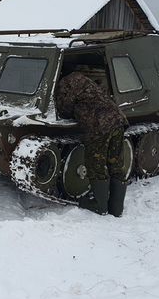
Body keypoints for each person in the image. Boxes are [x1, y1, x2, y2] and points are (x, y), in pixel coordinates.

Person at [55, 71, 129, 216]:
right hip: (118, 121)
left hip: (99, 126)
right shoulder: (88, 83)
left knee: (96, 164)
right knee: (115, 163)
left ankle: (99, 205)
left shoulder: (66, 83)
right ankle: (116, 208)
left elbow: (65, 108)